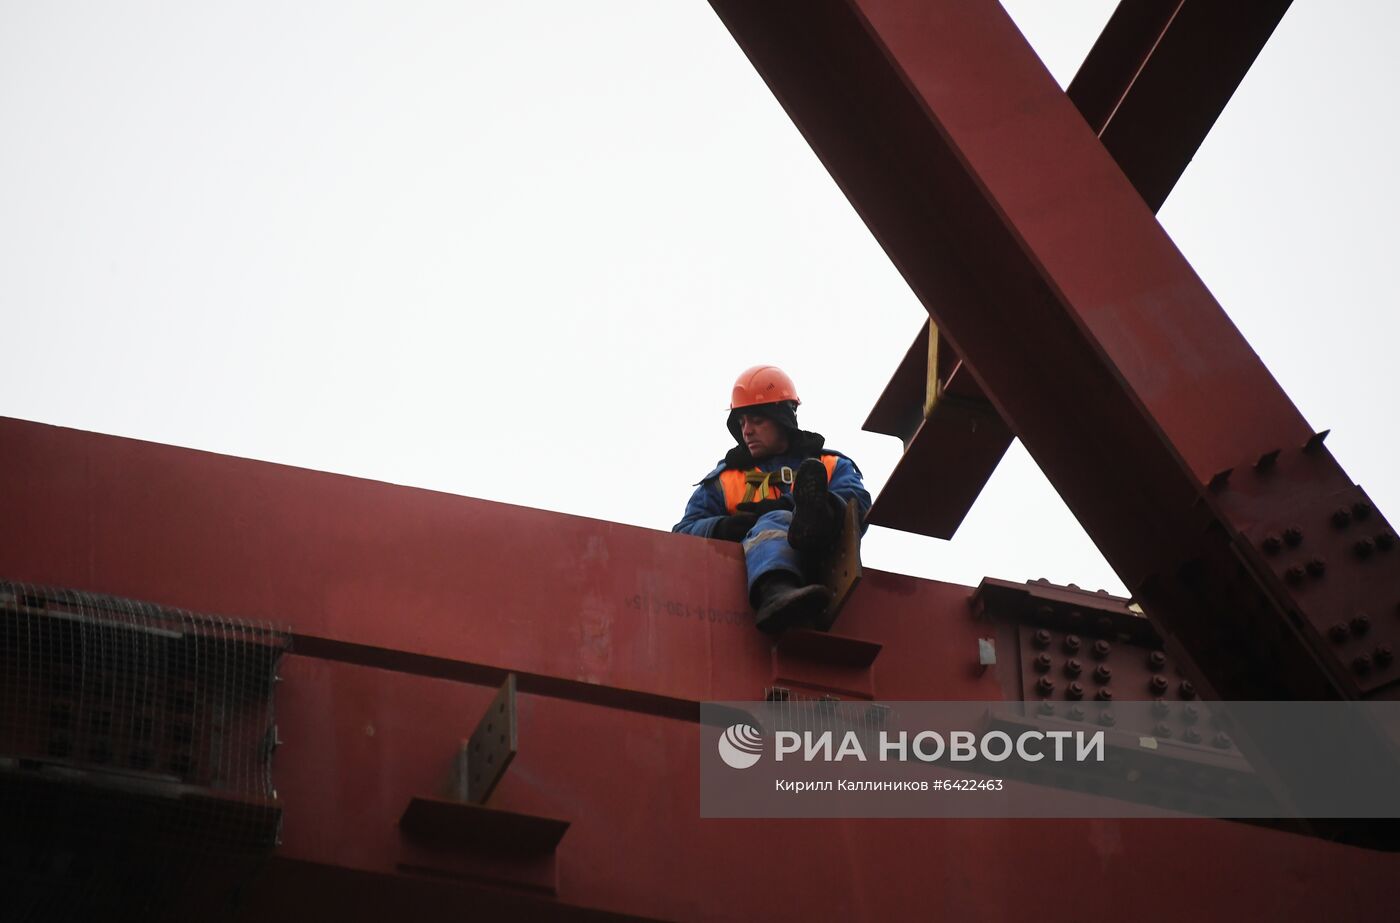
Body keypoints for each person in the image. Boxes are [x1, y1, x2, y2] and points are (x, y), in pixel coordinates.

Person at [673, 365, 871, 633]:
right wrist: (723, 528)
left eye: (757, 420)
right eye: (742, 422)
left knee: (794, 513)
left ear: (782, 418)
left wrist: (804, 508)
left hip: (824, 560)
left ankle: (810, 518)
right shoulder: (724, 480)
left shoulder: (828, 464)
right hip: (755, 580)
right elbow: (682, 535)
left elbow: (856, 503)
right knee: (774, 520)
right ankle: (776, 592)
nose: (747, 431)